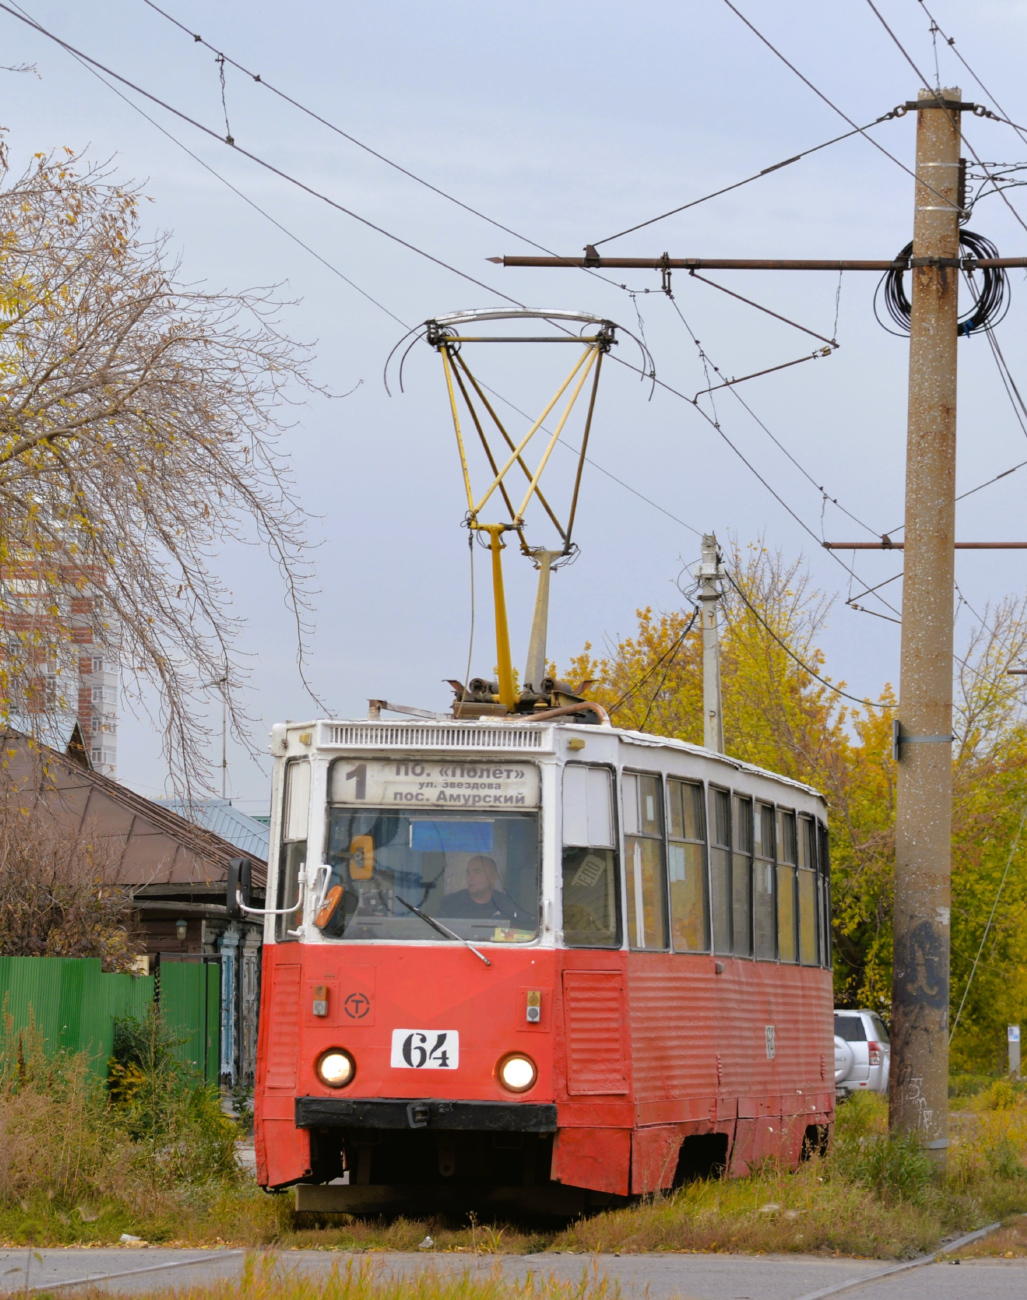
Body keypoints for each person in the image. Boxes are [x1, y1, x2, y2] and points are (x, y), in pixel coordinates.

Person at [437, 855, 528, 925]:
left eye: (477, 872)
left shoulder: (507, 905)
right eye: (468, 873)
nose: (470, 878)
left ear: (493, 877)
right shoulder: (450, 903)